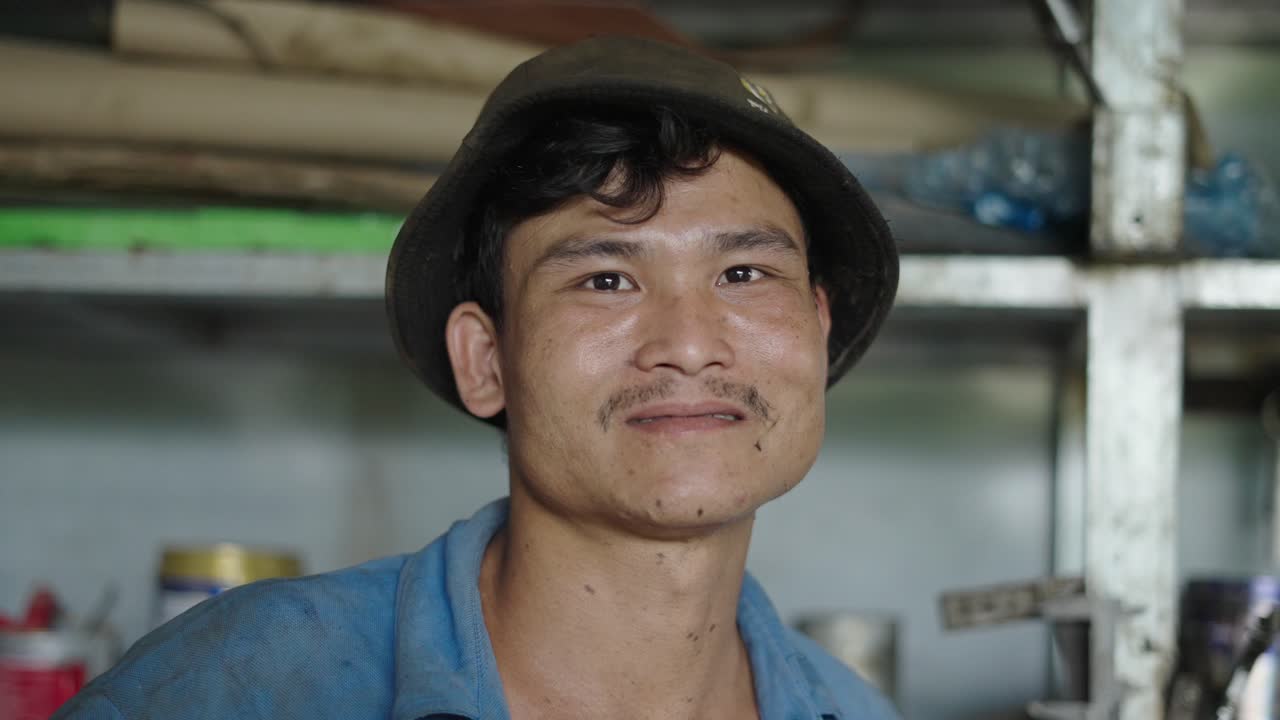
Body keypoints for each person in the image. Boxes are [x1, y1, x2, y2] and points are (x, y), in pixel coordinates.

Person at [56, 36, 899, 720]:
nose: (688, 344)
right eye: (605, 280)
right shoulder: (252, 682)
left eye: (746, 274)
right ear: (485, 360)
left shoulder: (850, 711)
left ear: (817, 331)